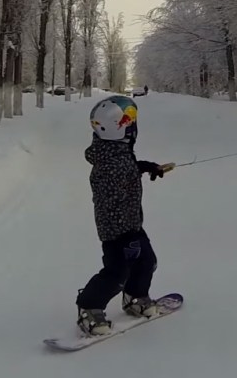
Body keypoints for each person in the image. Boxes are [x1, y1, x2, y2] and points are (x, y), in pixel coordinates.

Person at [75, 94, 167, 336]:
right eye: (130, 120)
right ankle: (88, 306)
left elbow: (126, 166)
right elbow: (110, 192)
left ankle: (135, 296)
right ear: (119, 128)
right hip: (117, 231)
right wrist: (125, 236)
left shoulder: (116, 152)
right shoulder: (108, 164)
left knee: (147, 261)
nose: (134, 124)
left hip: (132, 224)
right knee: (117, 273)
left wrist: (144, 167)